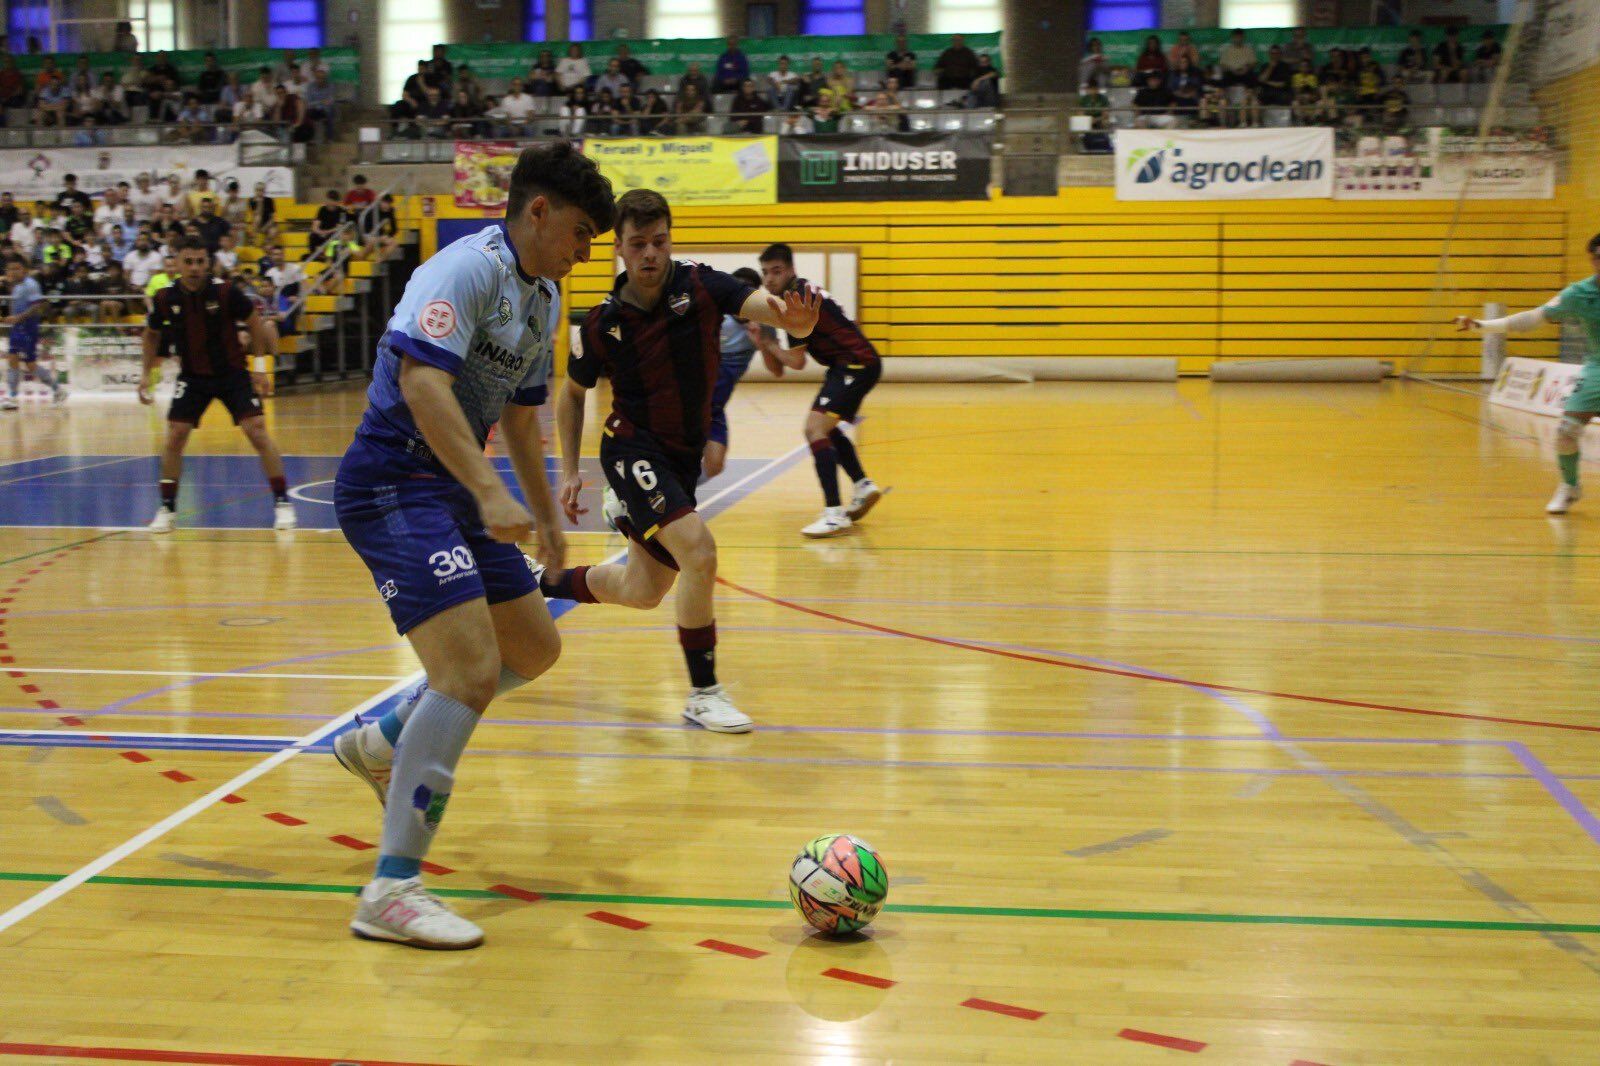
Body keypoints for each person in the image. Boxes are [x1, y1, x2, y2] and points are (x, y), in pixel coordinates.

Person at [327, 142, 615, 950]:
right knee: (468, 671)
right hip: (393, 480)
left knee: (535, 644)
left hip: (452, 490)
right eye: (581, 232)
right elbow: (422, 384)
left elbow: (521, 414)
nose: (585, 252)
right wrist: (489, 492)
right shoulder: (465, 270)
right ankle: (390, 888)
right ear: (537, 212)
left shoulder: (544, 297)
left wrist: (546, 515)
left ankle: (383, 741)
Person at [540, 189, 819, 734]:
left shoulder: (701, 285)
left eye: (660, 242)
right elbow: (572, 396)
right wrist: (571, 470)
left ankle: (540, 582)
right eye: (638, 244)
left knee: (642, 592)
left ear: (671, 241)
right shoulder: (600, 324)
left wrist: (800, 324)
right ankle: (703, 693)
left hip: (680, 459)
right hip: (631, 448)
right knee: (699, 551)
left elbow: (770, 309)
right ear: (618, 248)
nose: (650, 254)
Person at [138, 237, 290, 531]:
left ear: (208, 263)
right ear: (178, 263)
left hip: (232, 374)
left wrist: (259, 368)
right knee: (174, 436)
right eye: (188, 261)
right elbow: (151, 335)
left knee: (257, 432)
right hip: (193, 378)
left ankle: (282, 502)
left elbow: (255, 321)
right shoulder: (165, 298)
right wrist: (146, 374)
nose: (194, 268)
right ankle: (167, 508)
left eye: (200, 261)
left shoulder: (225, 292)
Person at [1455, 233, 1600, 515]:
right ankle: (1570, 486)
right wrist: (1482, 326)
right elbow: (1532, 319)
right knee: (1566, 433)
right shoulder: (1578, 294)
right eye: (1597, 258)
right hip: (1597, 368)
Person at [757, 241, 884, 538]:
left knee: (814, 429)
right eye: (765, 273)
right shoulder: (797, 293)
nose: (769, 279)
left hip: (855, 364)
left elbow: (796, 362)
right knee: (825, 429)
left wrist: (768, 343)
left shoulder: (794, 301)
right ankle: (863, 487)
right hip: (851, 364)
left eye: (776, 271)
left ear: (790, 270)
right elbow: (777, 369)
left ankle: (833, 513)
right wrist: (764, 343)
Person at [0, 258, 61, 409]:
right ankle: (12, 397)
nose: (13, 272)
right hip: (17, 328)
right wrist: (10, 319)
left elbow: (36, 306)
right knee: (12, 358)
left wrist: (17, 318)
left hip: (28, 328)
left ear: (24, 270)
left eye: (17, 268)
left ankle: (58, 389)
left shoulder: (31, 285)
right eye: (10, 269)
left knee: (31, 364)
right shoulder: (16, 286)